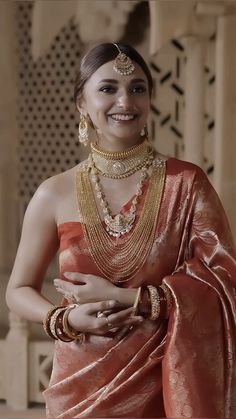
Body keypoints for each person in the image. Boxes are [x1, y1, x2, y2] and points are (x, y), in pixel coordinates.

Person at [6, 42, 236, 419]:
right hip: (81, 383)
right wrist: (63, 319)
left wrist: (130, 298)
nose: (125, 100)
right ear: (82, 103)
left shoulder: (186, 183)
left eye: (138, 88)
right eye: (108, 88)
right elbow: (18, 291)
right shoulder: (54, 192)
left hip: (165, 381)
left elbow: (223, 280)